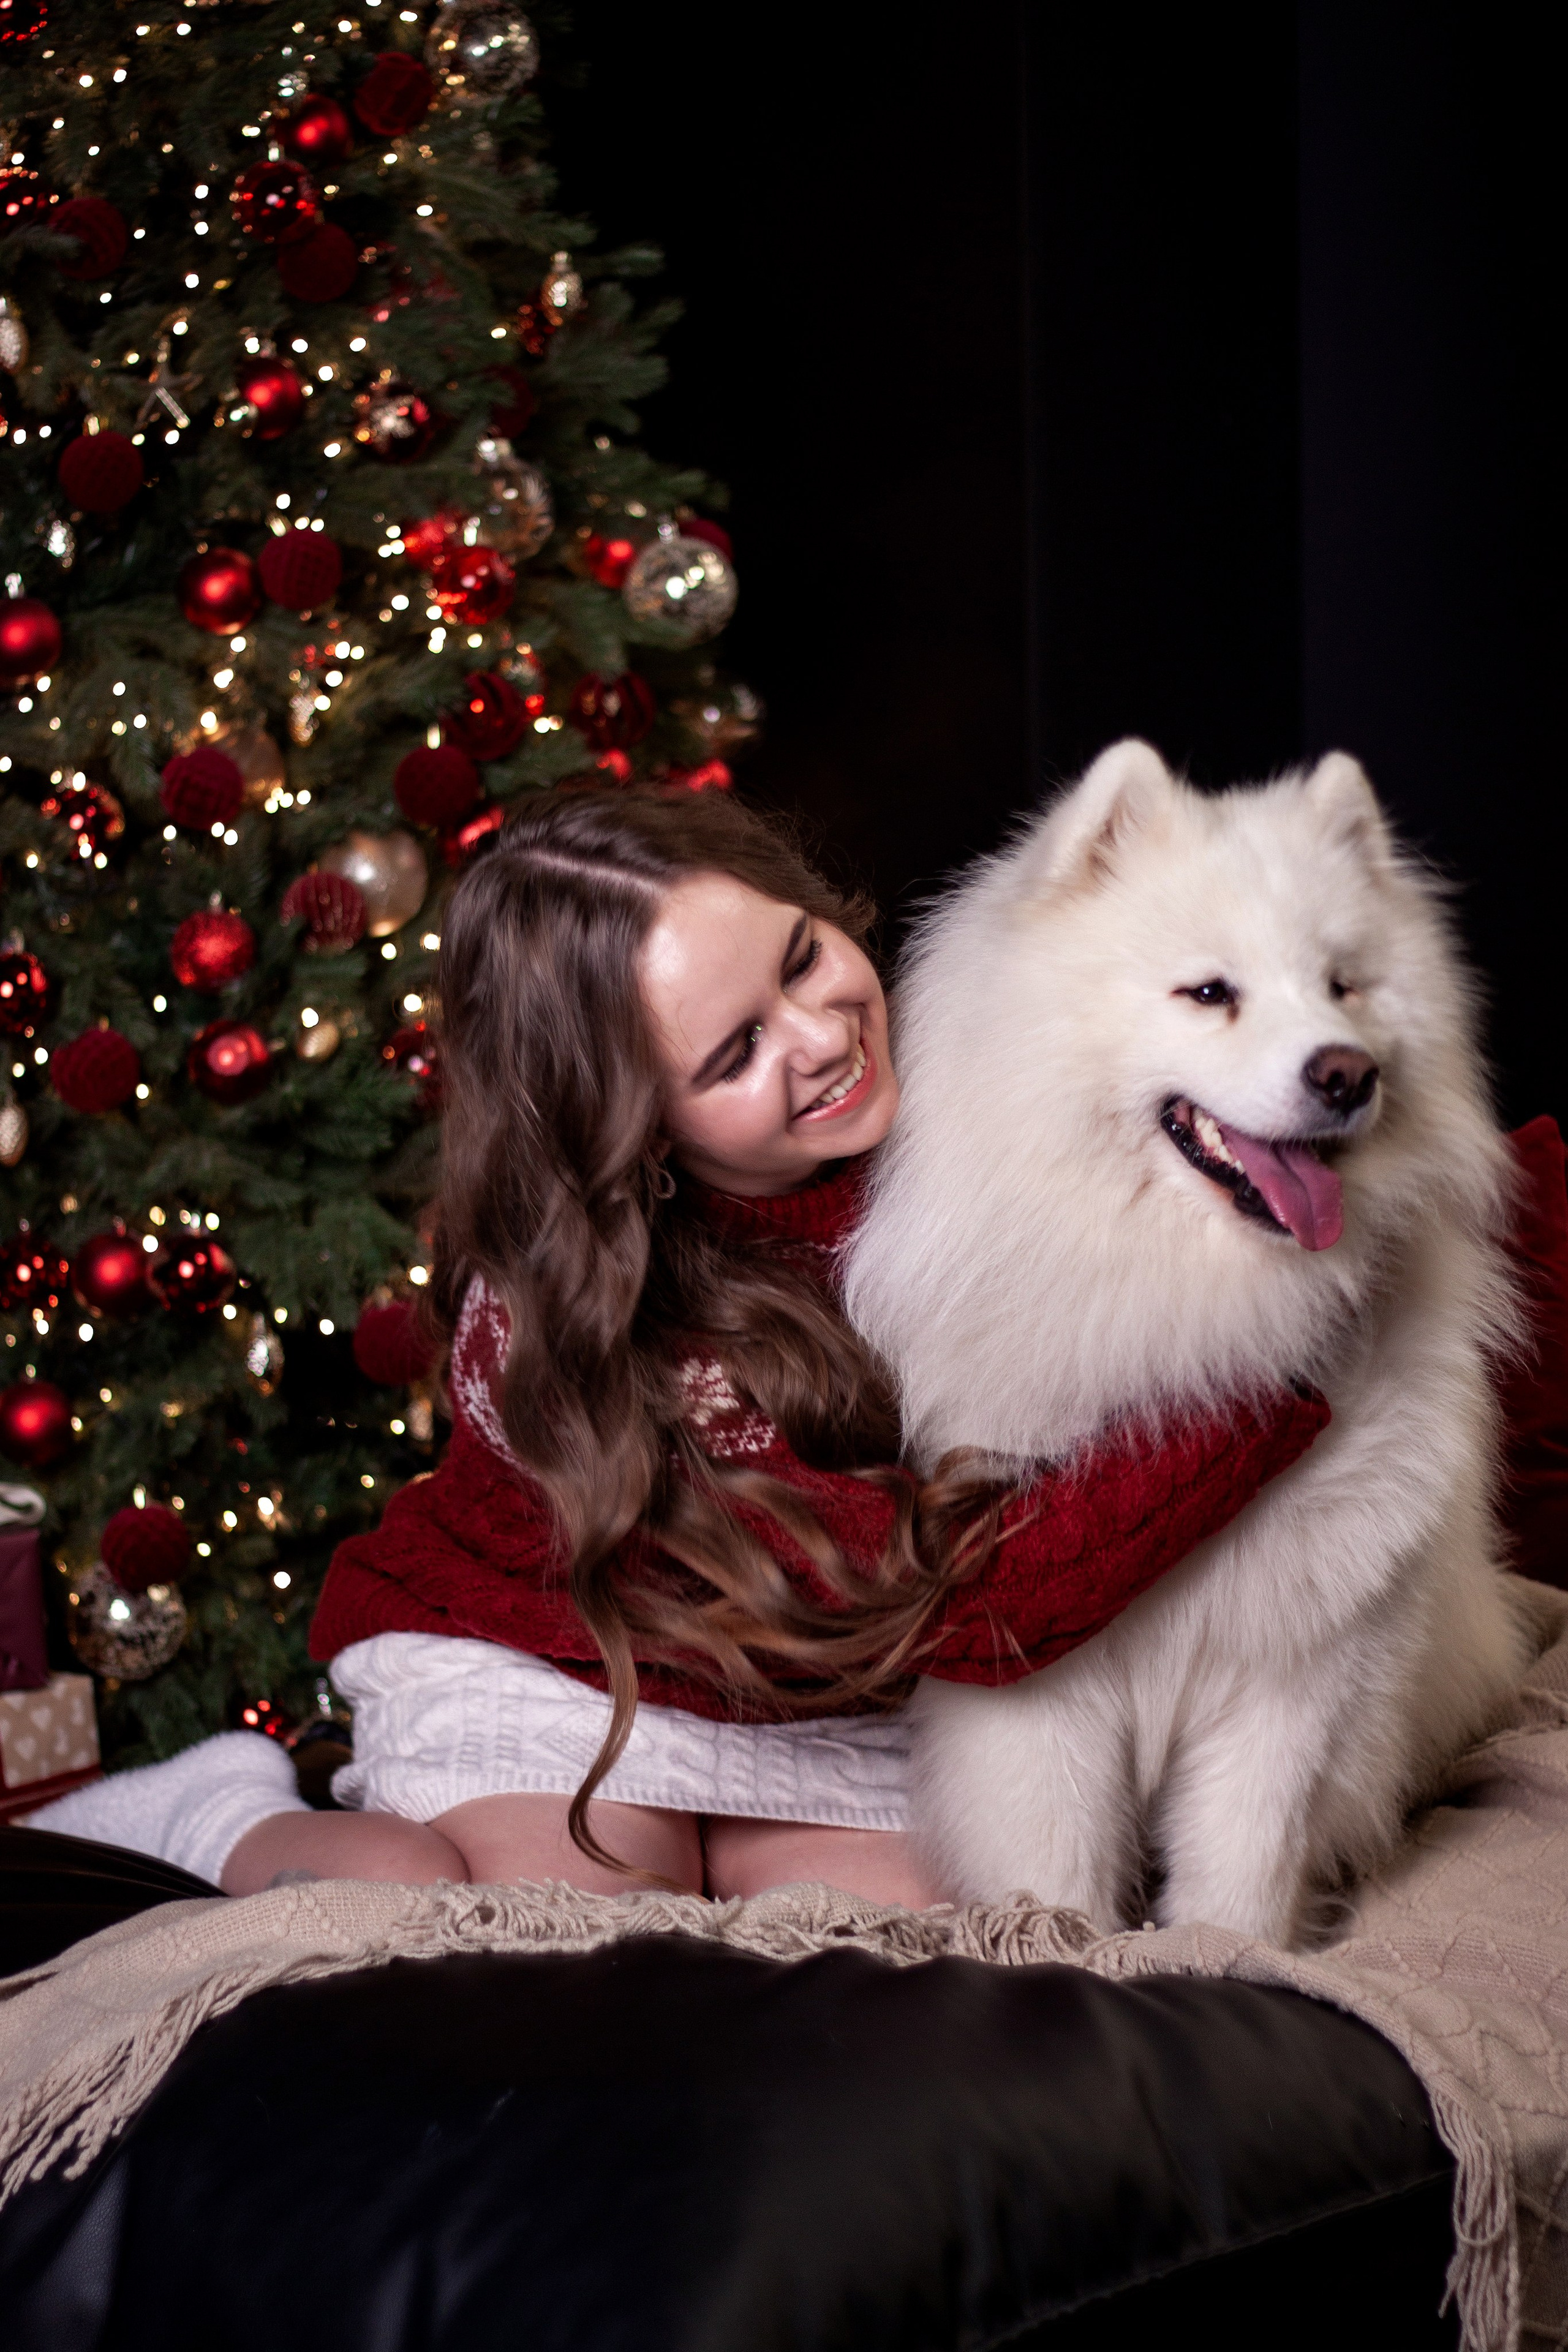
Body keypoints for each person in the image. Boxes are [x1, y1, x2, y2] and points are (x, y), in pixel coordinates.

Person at [31, 790, 1328, 1899]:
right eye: (733, 1052)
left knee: (912, 1959)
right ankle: (225, 1812)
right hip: (564, 1653)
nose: (821, 1038)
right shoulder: (552, 1308)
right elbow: (942, 1596)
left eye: (803, 957)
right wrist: (1290, 1372)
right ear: (634, 1127)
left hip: (834, 1696)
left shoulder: (978, 1079)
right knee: (511, 1931)